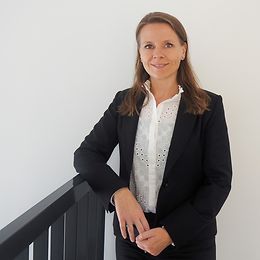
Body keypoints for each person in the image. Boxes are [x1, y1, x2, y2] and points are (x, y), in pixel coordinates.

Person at [74, 11, 232, 260]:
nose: (157, 53)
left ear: (183, 50)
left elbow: (219, 181)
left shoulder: (210, 106)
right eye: (148, 46)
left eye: (168, 44)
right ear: (140, 53)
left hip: (189, 240)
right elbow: (86, 155)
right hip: (132, 237)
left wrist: (171, 233)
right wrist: (119, 193)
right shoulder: (124, 102)